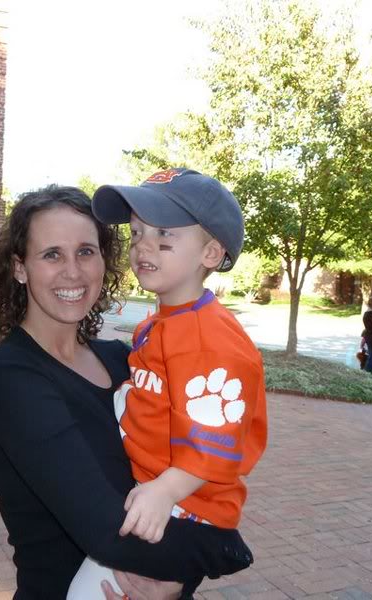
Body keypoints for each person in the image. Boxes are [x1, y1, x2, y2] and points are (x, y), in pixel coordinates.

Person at [0, 185, 253, 600]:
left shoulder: (126, 360)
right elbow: (107, 531)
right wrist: (222, 549)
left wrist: (177, 584)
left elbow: (199, 468)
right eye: (52, 254)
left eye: (86, 251)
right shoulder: (11, 376)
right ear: (20, 268)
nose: (73, 271)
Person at [72, 168, 267, 597]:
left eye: (164, 234)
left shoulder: (209, 338)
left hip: (185, 505)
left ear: (211, 253)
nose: (143, 245)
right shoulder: (161, 325)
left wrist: (165, 492)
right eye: (137, 232)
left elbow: (216, 439)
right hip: (158, 492)